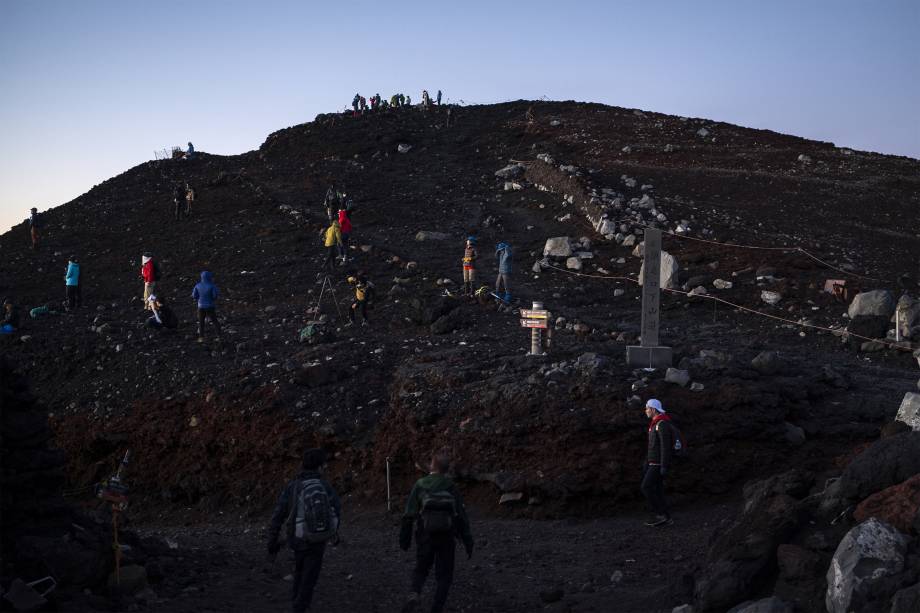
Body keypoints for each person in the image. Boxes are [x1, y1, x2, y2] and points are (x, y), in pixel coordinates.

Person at [268, 448, 342, 613]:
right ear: (320, 467)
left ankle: (297, 603)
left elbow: (278, 514)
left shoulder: (293, 486)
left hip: (297, 538)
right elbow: (336, 509)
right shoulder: (324, 485)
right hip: (318, 538)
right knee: (310, 576)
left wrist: (272, 541)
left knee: (300, 571)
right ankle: (300, 606)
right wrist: (334, 532)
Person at [399, 450, 474, 613]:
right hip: (447, 536)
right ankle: (437, 607)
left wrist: (404, 538)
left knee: (421, 568)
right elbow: (461, 516)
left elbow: (409, 513)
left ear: (431, 466)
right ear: (446, 469)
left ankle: (414, 594)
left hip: (425, 534)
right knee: (444, 574)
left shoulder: (420, 484)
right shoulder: (451, 487)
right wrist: (468, 541)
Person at [642, 399, 674, 527]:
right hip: (653, 463)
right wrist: (647, 461)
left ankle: (660, 514)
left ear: (653, 409)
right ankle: (666, 517)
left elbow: (665, 447)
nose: (646, 411)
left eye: (647, 408)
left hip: (657, 464)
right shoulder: (655, 424)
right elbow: (653, 446)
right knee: (658, 490)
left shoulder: (661, 424)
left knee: (646, 487)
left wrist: (664, 465)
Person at [192, 271, 222, 340]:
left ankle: (201, 338)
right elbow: (215, 296)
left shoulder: (197, 285)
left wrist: (199, 299)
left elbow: (194, 295)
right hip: (210, 306)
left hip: (200, 306)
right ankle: (219, 336)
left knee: (201, 322)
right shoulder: (212, 286)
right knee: (214, 321)